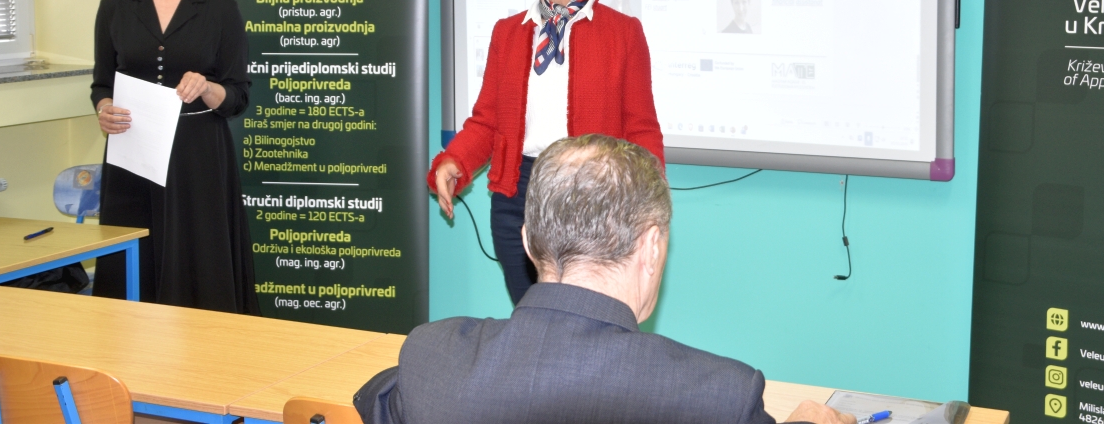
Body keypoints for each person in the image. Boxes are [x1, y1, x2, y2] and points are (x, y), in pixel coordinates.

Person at [356, 134, 857, 424]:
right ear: (652, 247)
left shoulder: (432, 357)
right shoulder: (721, 396)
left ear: (527, 241)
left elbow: (375, 400)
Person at [430, 0, 662, 305]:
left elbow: (641, 127)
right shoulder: (508, 33)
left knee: (587, 315)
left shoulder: (623, 32)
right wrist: (455, 162)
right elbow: (487, 121)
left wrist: (649, 203)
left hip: (593, 190)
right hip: (518, 192)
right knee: (530, 313)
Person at [91, 0, 259, 313]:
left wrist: (207, 87)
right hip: (132, 154)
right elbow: (102, 84)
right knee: (134, 258)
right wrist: (104, 109)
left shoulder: (222, 10)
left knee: (199, 264)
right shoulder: (114, 9)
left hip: (197, 157)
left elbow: (237, 95)